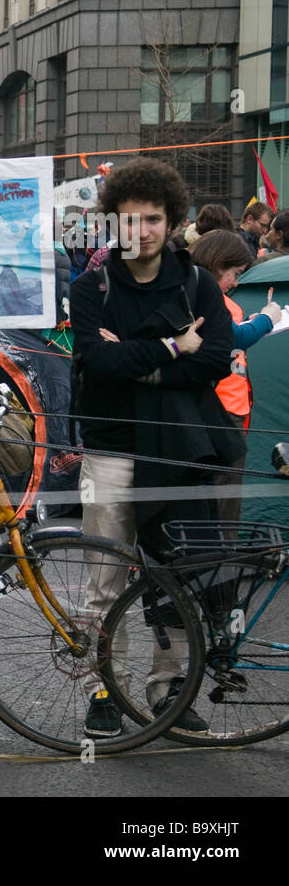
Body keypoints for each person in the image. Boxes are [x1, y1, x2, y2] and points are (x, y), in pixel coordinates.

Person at [71, 157, 241, 738]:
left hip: (175, 450)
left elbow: (215, 359)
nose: (139, 231)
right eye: (128, 219)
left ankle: (169, 690)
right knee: (104, 579)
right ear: (110, 221)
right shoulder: (90, 286)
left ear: (171, 222)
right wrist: (172, 348)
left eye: (151, 220)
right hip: (111, 447)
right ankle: (103, 689)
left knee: (176, 575)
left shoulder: (195, 282)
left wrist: (137, 363)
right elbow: (98, 362)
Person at [189, 231, 281, 524]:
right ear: (218, 264)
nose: (236, 283)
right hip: (220, 408)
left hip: (226, 405)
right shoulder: (205, 296)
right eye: (234, 273)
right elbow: (230, 338)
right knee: (223, 493)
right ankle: (219, 559)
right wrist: (267, 320)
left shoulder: (203, 293)